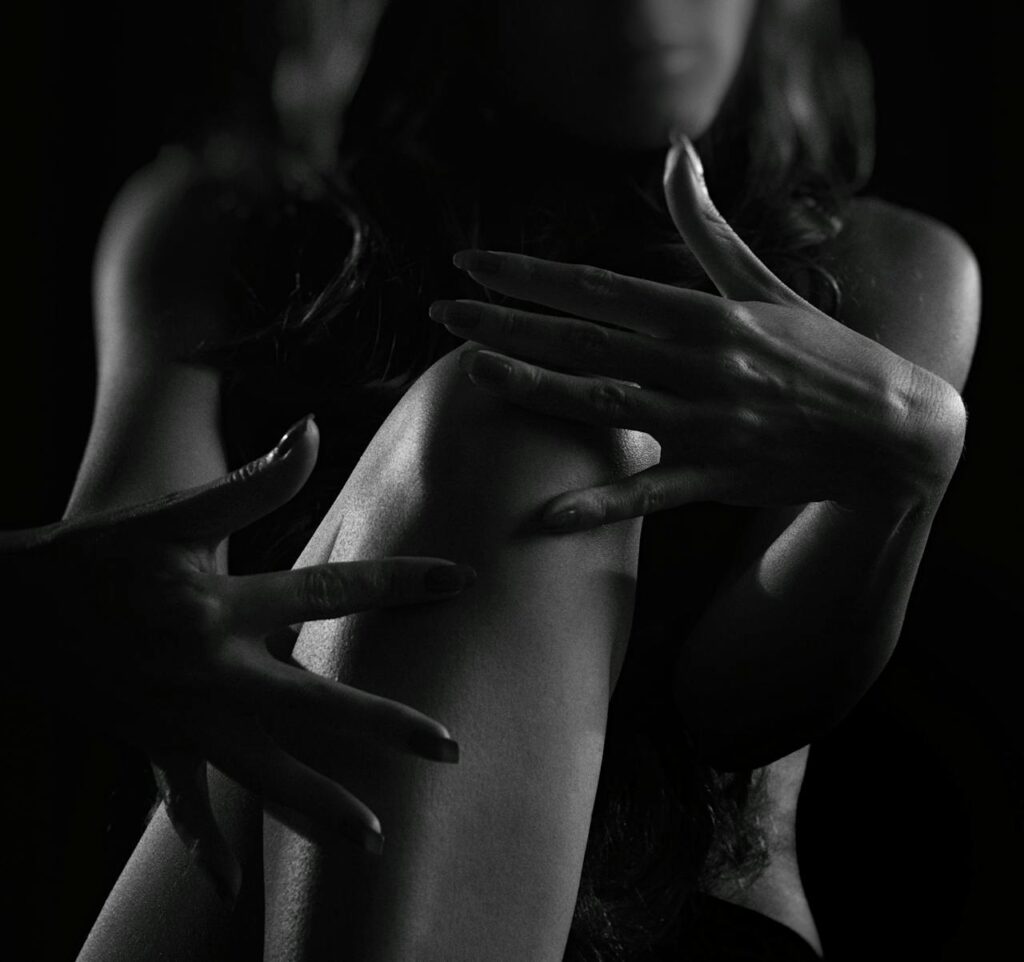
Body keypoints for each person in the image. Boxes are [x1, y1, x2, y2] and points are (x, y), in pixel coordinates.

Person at [69, 0, 980, 958]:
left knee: (524, 430)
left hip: (693, 921)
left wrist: (900, 484)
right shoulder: (218, 225)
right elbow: (118, 580)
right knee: (511, 424)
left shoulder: (885, 270)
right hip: (251, 899)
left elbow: (735, 714)